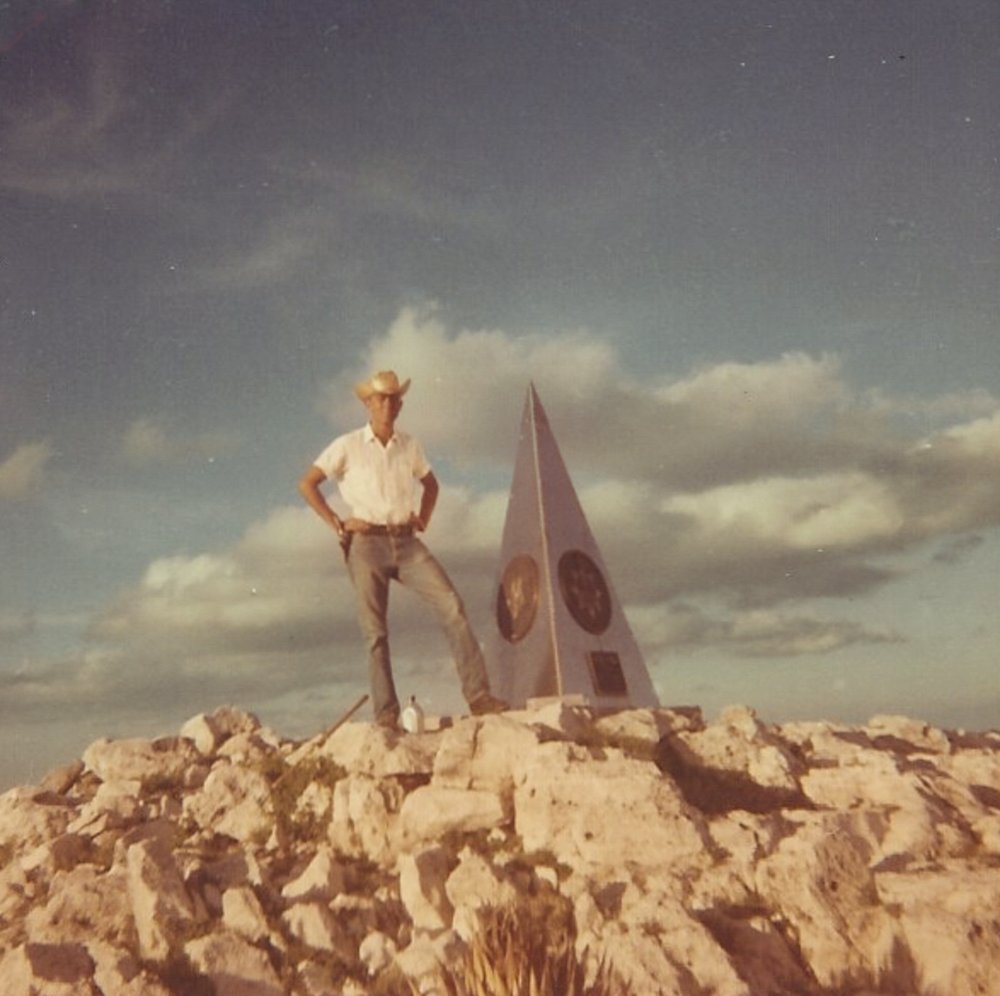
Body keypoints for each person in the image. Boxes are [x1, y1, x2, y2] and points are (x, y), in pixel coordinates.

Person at [299, 369, 508, 729]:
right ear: (367, 404)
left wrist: (422, 518)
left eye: (394, 399)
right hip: (365, 545)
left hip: (406, 542)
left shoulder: (410, 445)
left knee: (453, 607)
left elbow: (431, 485)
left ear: (401, 404)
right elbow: (308, 483)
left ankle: (480, 697)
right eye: (380, 399)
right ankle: (387, 716)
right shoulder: (346, 445)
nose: (388, 405)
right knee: (375, 632)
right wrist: (338, 522)